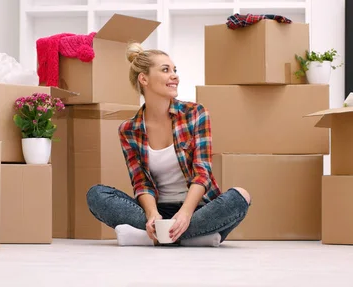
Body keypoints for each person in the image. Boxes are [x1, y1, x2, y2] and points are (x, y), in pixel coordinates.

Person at [85, 42, 252, 247]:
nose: (175, 76)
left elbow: (202, 173)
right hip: (157, 210)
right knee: (97, 195)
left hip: (197, 208)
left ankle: (151, 237)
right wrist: (152, 214)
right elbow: (141, 182)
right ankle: (194, 237)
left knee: (241, 196)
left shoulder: (195, 113)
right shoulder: (128, 129)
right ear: (144, 78)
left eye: (174, 70)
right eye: (166, 70)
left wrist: (186, 214)